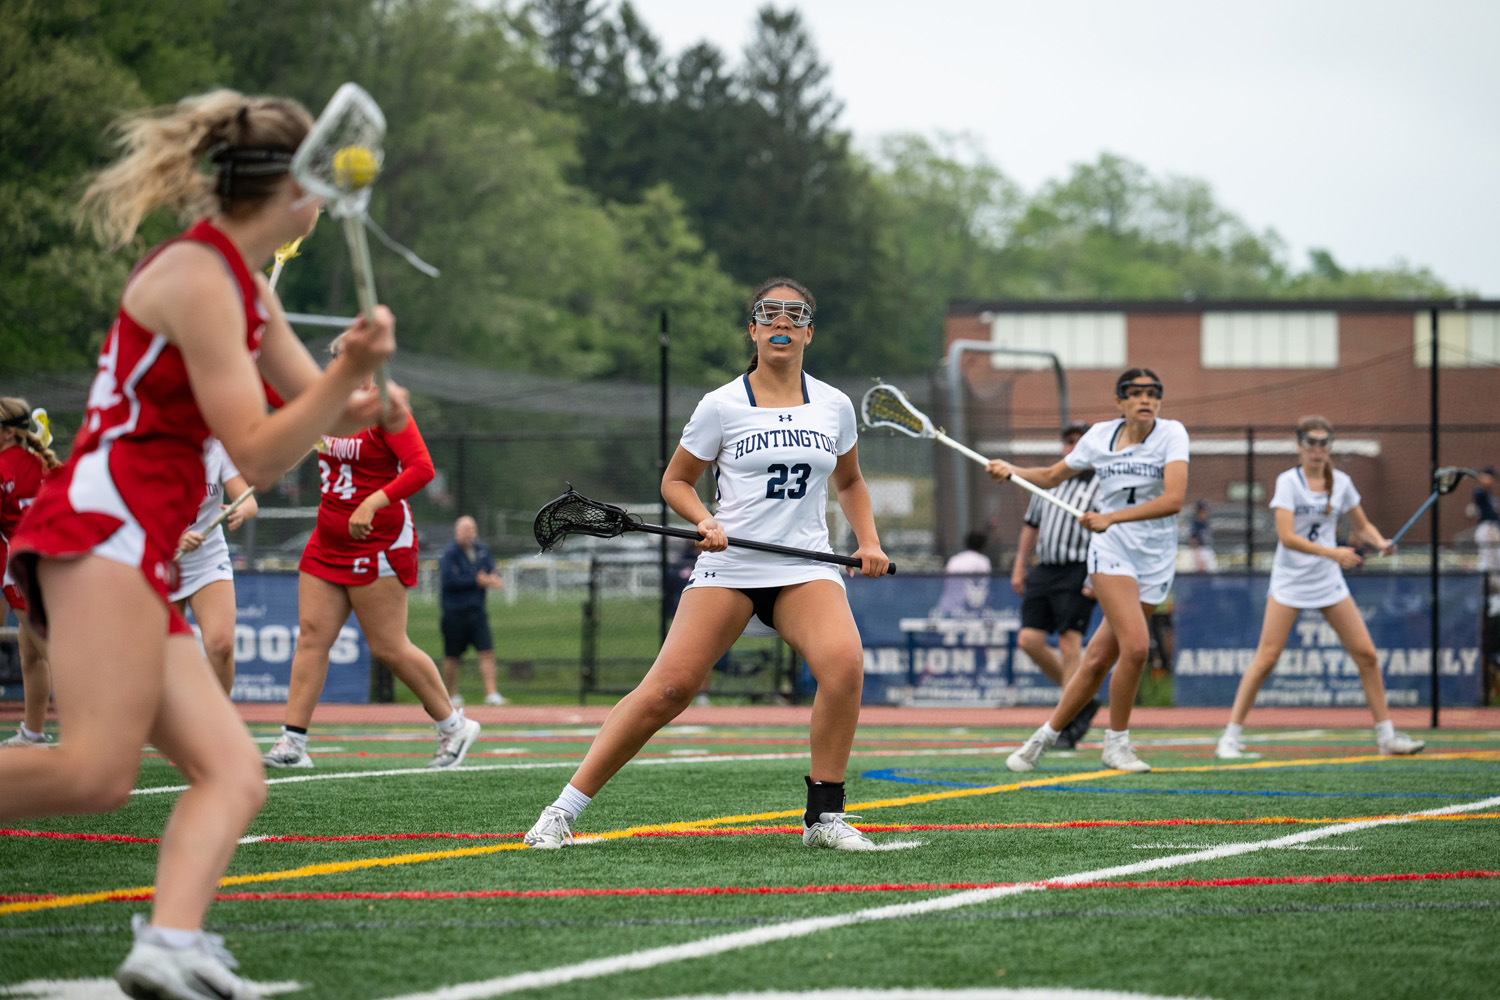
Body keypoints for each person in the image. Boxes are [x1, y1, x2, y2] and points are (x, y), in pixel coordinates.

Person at [1, 89, 401, 999]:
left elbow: (315, 420)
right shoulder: (195, 277)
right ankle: (172, 942)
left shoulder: (242, 285)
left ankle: (170, 944)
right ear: (293, 190)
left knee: (231, 771)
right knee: (94, 772)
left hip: (138, 543)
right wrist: (346, 374)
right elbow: (255, 447)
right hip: (102, 527)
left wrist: (361, 395)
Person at [523, 276, 891, 851]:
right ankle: (561, 811)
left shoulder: (833, 405)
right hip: (732, 566)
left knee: (844, 667)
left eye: (796, 315)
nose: (782, 322)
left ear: (809, 333)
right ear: (753, 329)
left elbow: (850, 481)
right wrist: (704, 520)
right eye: (769, 313)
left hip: (804, 568)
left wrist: (869, 541)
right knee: (669, 690)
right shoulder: (721, 405)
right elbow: (676, 481)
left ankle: (824, 817)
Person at [262, 389, 481, 770]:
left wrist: (372, 502)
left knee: (388, 646)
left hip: (378, 540)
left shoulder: (386, 409)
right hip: (327, 539)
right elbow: (272, 389)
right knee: (311, 637)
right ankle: (293, 741)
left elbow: (422, 468)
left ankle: (454, 726)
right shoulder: (324, 398)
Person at [989, 368, 1188, 774]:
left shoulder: (1172, 434)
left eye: (1153, 393)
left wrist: (1111, 516)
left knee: (1097, 658)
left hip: (1155, 557)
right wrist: (1013, 471)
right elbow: (1051, 476)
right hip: (1112, 552)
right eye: (1135, 393)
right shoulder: (1099, 436)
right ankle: (1117, 744)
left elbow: (1173, 500)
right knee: (1136, 647)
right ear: (1119, 401)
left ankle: (1040, 740)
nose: (1145, 400)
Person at [1215, 417, 1426, 759]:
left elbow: (1362, 524)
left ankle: (1386, 738)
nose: (1317, 449)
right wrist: (1333, 553)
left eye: (1323, 443)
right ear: (1299, 445)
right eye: (1310, 442)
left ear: (1330, 446)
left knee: (1367, 655)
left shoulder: (1341, 483)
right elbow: (1287, 537)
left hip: (1327, 581)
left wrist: (1379, 541)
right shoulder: (1288, 482)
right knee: (1266, 658)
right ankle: (1229, 738)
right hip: (1290, 580)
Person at [1008, 422, 1103, 749]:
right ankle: (1081, 699)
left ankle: (1067, 721)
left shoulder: (1101, 486)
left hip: (1078, 570)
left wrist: (1094, 576)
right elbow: (1031, 526)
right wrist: (1020, 565)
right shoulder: (1050, 480)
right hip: (1045, 569)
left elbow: (1107, 534)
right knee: (1029, 640)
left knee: (1068, 642)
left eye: (1080, 441)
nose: (1073, 446)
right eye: (1069, 441)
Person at [172, 437, 258, 693]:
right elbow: (136, 511)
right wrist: (174, 539)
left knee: (221, 645)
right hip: (162, 560)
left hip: (208, 561)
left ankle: (220, 714)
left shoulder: (217, 448)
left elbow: (249, 502)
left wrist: (241, 510)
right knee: (163, 654)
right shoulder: (154, 449)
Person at [0, 399, 61, 747]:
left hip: (20, 570)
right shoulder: (41, 462)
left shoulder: (3, 467)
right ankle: (33, 733)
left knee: (54, 652)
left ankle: (97, 735)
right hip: (51, 564)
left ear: (9, 432)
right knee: (32, 654)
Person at [439, 514, 506, 708]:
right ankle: (452, 695)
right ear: (457, 532)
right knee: (452, 655)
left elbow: (491, 570)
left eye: (472, 530)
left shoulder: (481, 549)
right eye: (465, 530)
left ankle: (491, 694)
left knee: (487, 651)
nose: (469, 534)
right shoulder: (449, 553)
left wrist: (492, 578)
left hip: (477, 611)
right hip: (454, 612)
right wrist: (476, 581)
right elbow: (450, 581)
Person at [937, 530, 991, 615]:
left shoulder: (954, 559)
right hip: (966, 610)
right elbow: (984, 584)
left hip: (949, 607)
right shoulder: (983, 561)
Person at [1469, 466, 1498, 576]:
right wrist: (1480, 477)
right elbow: (1480, 491)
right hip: (1487, 527)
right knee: (1487, 560)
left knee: (1496, 559)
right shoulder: (1480, 491)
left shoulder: (1489, 493)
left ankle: (1493, 584)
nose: (1492, 481)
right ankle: (1486, 584)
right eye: (1490, 477)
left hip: (1493, 527)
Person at [1189, 499, 1218, 572]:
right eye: (1202, 511)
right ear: (1198, 512)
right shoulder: (1196, 524)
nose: (1205, 513)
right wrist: (1198, 556)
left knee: (1214, 571)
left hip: (1208, 549)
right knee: (1201, 572)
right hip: (1200, 550)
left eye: (1206, 511)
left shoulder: (1206, 523)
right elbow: (1192, 539)